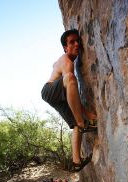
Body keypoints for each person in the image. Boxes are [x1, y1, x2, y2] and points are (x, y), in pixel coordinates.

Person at [41, 29, 97, 172]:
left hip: (57, 96)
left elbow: (55, 67)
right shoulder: (66, 60)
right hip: (49, 90)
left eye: (78, 41)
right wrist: (87, 115)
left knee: (76, 126)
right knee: (70, 77)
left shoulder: (62, 61)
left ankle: (76, 161)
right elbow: (69, 81)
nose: (77, 44)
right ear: (65, 48)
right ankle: (82, 123)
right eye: (72, 42)